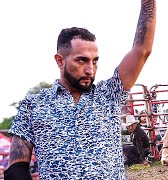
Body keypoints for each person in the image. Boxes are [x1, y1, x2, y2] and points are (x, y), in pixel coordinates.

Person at [5, 0, 156, 179]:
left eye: (95, 60)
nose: (90, 69)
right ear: (60, 61)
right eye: (81, 60)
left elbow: (142, 49)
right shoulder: (34, 105)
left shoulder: (109, 94)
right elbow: (16, 168)